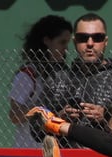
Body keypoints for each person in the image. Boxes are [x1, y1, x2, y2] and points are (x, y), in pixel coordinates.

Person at [39, 13, 112, 147]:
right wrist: (59, 119)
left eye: (97, 37)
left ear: (105, 41)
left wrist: (107, 117)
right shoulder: (57, 81)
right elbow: (35, 130)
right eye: (83, 38)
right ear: (74, 41)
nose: (90, 43)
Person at [8, 15, 72, 148]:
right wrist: (44, 112)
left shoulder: (63, 73)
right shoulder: (29, 74)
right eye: (62, 42)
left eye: (67, 43)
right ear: (47, 41)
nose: (66, 48)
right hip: (29, 149)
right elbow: (14, 115)